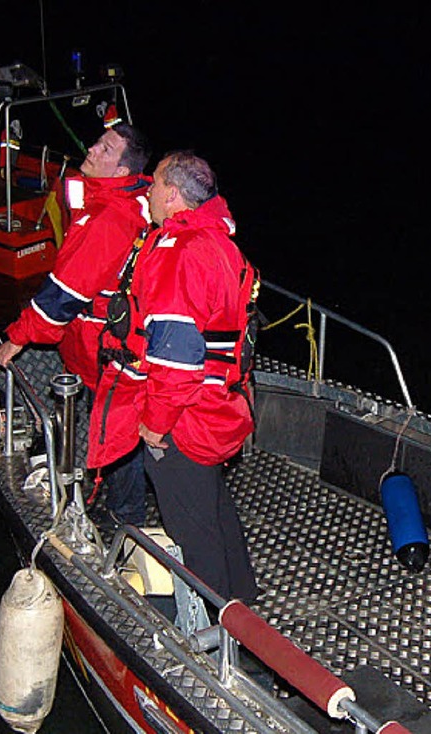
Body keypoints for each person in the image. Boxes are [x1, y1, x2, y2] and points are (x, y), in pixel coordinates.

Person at [88, 151, 259, 603]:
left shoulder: (177, 252)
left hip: (187, 419)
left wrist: (155, 424)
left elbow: (176, 359)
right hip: (222, 404)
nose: (148, 190)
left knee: (191, 528)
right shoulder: (220, 244)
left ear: (173, 194)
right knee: (214, 506)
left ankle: (219, 638)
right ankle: (244, 595)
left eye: (155, 183)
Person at [0, 121, 153, 527]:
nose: (93, 149)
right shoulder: (132, 199)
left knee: (115, 431)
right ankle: (115, 500)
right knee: (114, 423)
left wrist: (17, 337)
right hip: (115, 340)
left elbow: (65, 293)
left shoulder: (108, 221)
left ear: (122, 172)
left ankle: (124, 521)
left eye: (105, 149)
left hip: (104, 346)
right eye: (98, 141)